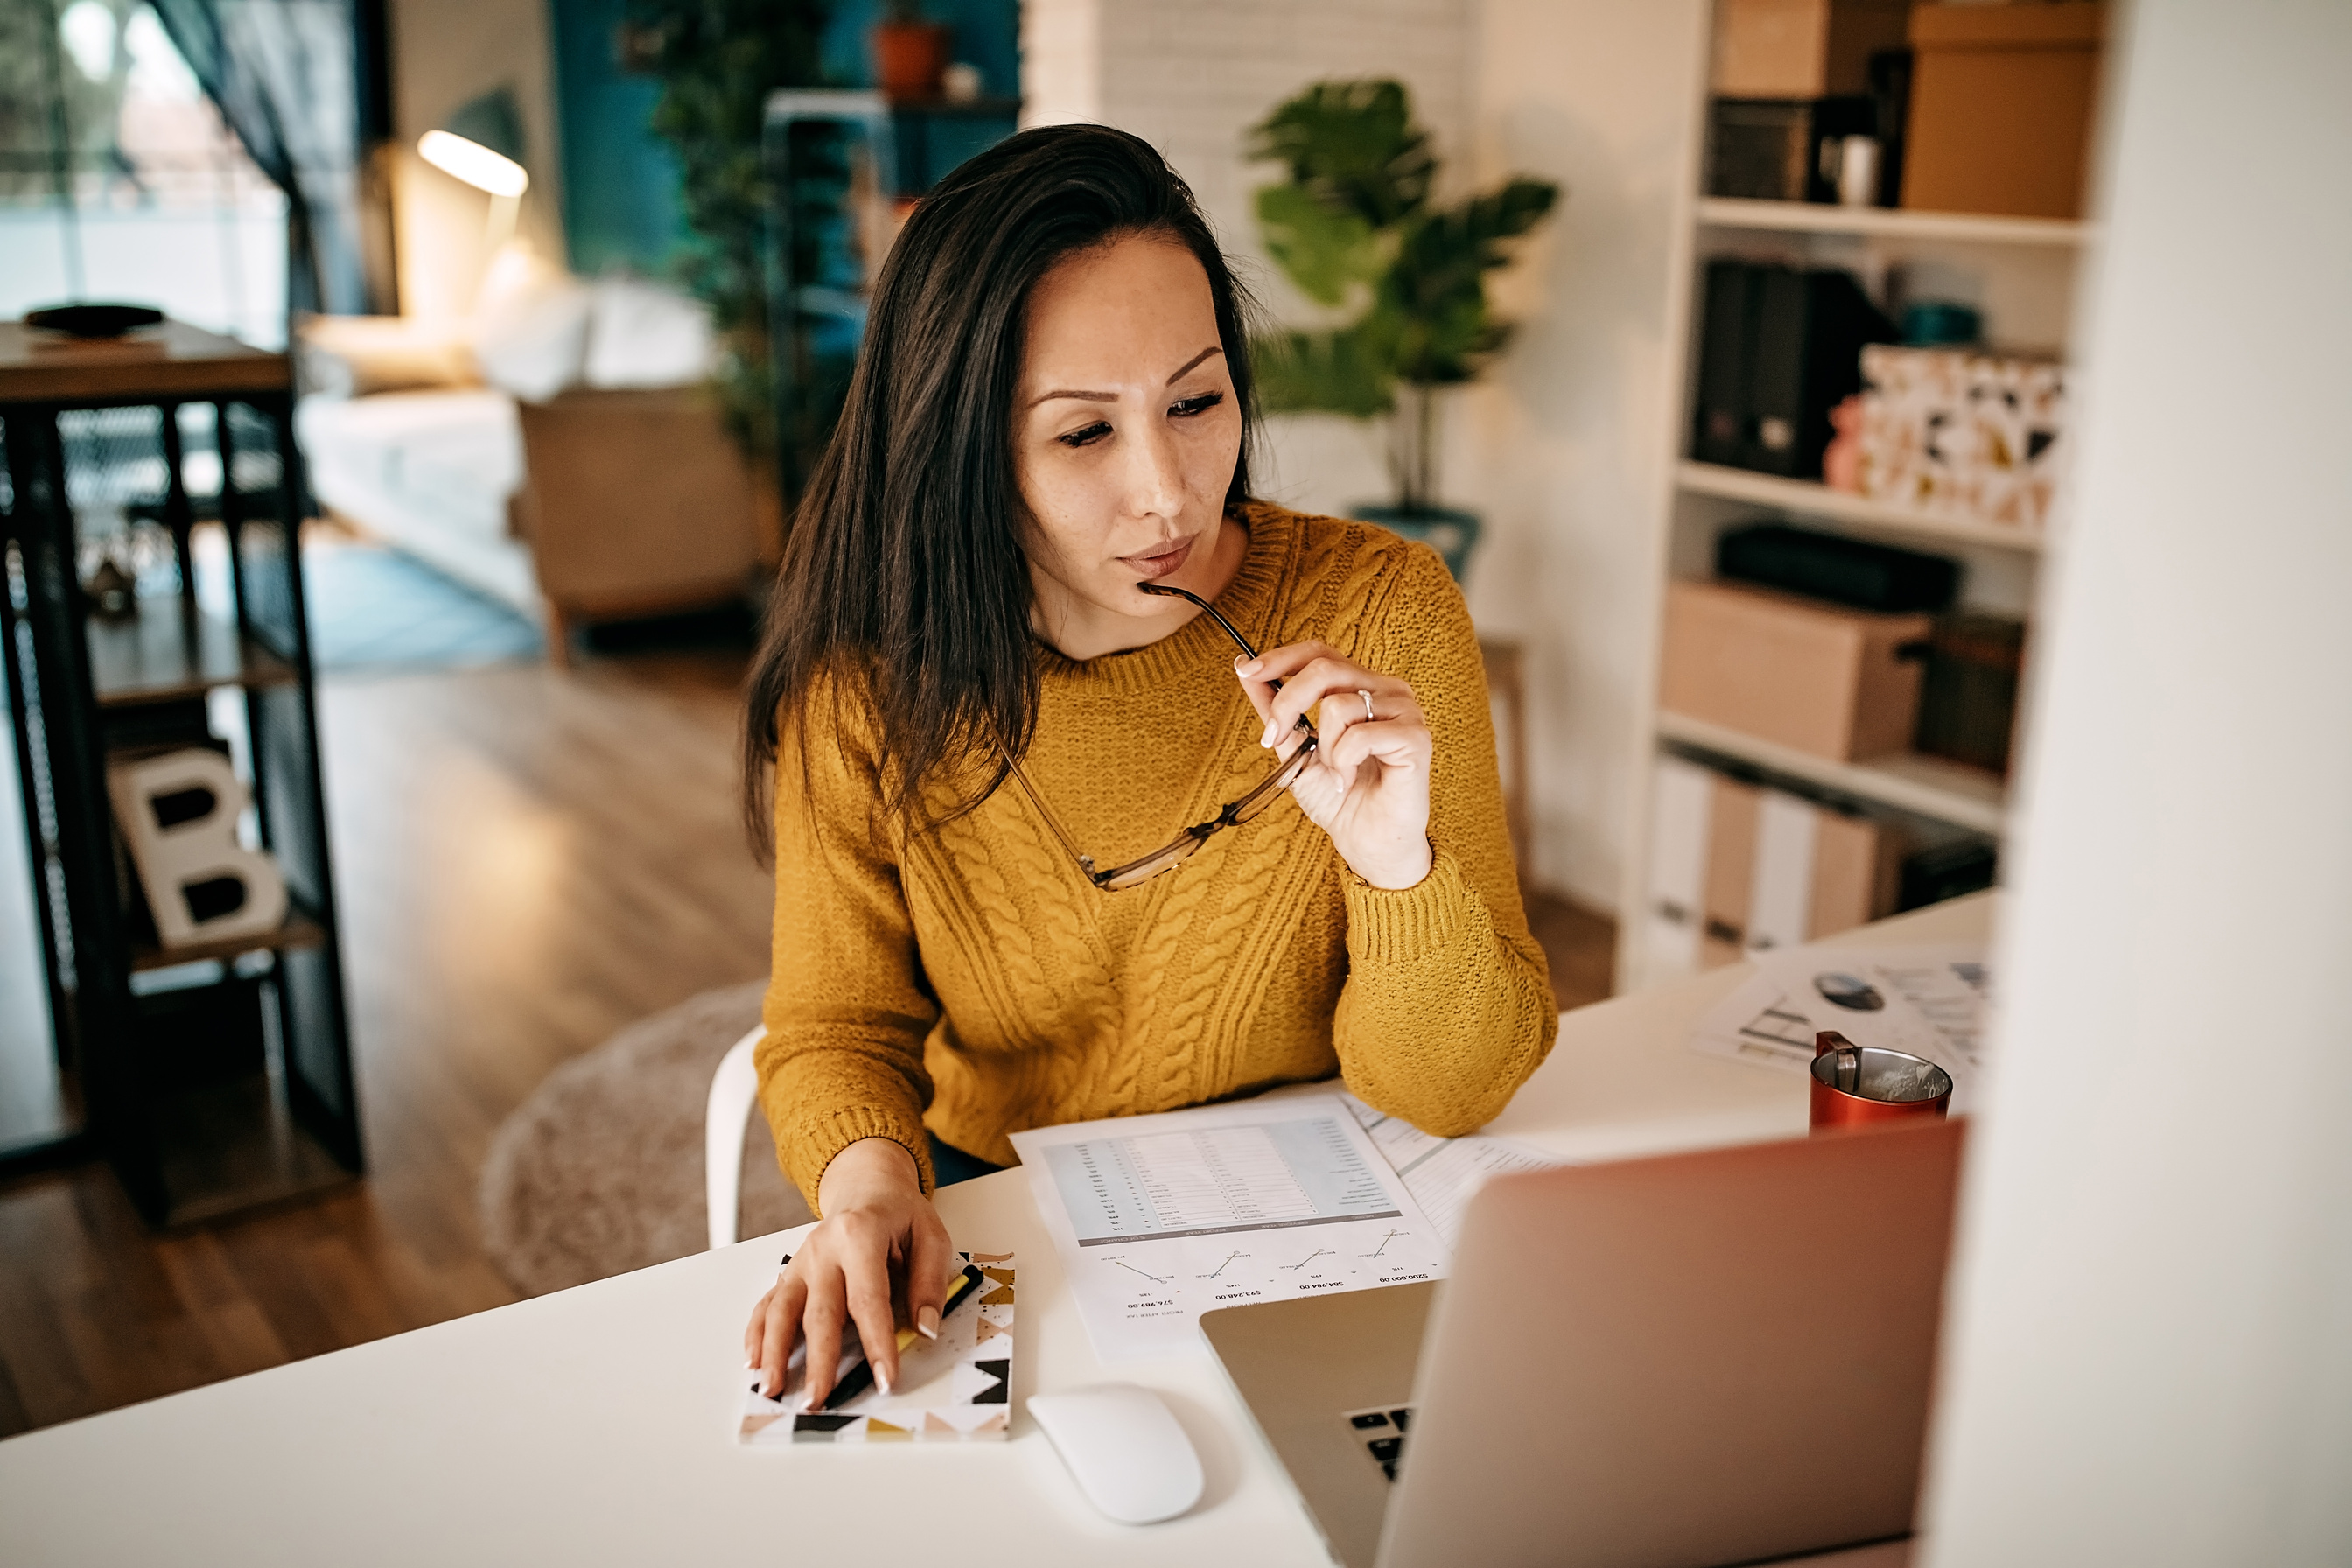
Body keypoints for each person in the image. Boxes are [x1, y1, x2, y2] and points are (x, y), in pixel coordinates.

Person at [740, 124, 1556, 1404]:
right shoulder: (866, 689)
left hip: (1333, 1194)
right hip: (1000, 1202)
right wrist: (869, 1189)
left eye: (1196, 402)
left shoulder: (1382, 610)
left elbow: (1455, 1091)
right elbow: (839, 1026)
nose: (1169, 495)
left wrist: (1396, 867)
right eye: (1082, 436)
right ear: (960, 452)